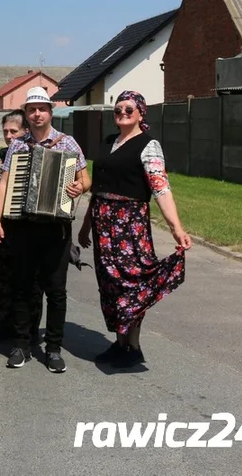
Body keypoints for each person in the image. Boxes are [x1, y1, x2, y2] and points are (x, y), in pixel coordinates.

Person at [79, 90, 190, 369]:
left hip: (130, 223)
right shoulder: (108, 142)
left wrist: (176, 228)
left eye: (129, 109)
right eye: (118, 109)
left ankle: (133, 346)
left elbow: (161, 188)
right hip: (103, 222)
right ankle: (120, 343)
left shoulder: (148, 145)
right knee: (110, 284)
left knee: (132, 283)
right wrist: (85, 225)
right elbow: (99, 187)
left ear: (141, 113)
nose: (122, 113)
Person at [0, 86, 90, 374]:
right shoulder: (18, 147)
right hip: (22, 227)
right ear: (26, 114)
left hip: (56, 229)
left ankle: (54, 348)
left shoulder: (68, 143)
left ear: (50, 111)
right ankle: (22, 344)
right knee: (22, 287)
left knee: (56, 291)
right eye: (31, 110)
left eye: (41, 109)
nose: (36, 114)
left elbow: (86, 179)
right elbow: (6, 184)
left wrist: (78, 186)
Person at [0, 110, 42, 345]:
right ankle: (5, 325)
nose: (9, 136)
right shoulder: (0, 155)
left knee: (31, 280)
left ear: (25, 131)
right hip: (2, 224)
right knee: (2, 277)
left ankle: (31, 329)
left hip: (28, 228)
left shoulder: (36, 154)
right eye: (6, 131)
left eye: (14, 131)